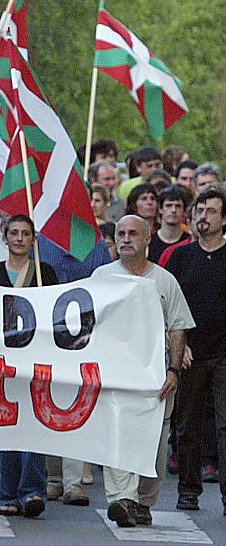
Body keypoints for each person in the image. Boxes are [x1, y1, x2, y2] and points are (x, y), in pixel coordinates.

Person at [93, 215, 194, 527]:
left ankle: (144, 501)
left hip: (156, 377)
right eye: (121, 233)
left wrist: (173, 370)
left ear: (148, 239)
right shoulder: (101, 277)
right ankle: (122, 499)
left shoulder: (165, 281)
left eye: (133, 233)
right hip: (115, 376)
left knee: (155, 442)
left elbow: (178, 327)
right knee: (117, 434)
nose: (125, 239)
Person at [0, 215, 58, 519]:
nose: (20, 239)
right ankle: (9, 494)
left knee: (35, 424)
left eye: (25, 234)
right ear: (5, 237)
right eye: (14, 233)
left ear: (33, 240)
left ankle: (33, 491)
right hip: (2, 360)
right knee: (6, 425)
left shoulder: (44, 274)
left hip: (36, 358)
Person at [165, 188, 226, 514]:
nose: (203, 216)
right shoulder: (181, 257)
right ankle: (188, 490)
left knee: (224, 426)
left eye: (211, 211)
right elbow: (167, 305)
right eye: (200, 210)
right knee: (187, 425)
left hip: (223, 354)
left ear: (223, 219)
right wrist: (179, 343)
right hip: (189, 353)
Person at [148, 186, 189, 263]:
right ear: (160, 209)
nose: (173, 210)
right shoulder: (148, 242)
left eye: (178, 206)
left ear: (184, 211)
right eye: (169, 205)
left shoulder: (190, 242)